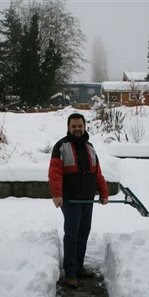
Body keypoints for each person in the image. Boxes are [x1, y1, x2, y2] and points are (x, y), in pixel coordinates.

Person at [48, 113, 109, 288]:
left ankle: (79, 267)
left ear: (84, 126)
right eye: (74, 126)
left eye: (80, 126)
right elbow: (55, 173)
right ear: (68, 127)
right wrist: (57, 194)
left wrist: (104, 193)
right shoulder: (61, 146)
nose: (77, 129)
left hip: (87, 200)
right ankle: (70, 273)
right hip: (71, 200)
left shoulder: (90, 147)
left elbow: (97, 173)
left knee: (83, 233)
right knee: (72, 235)